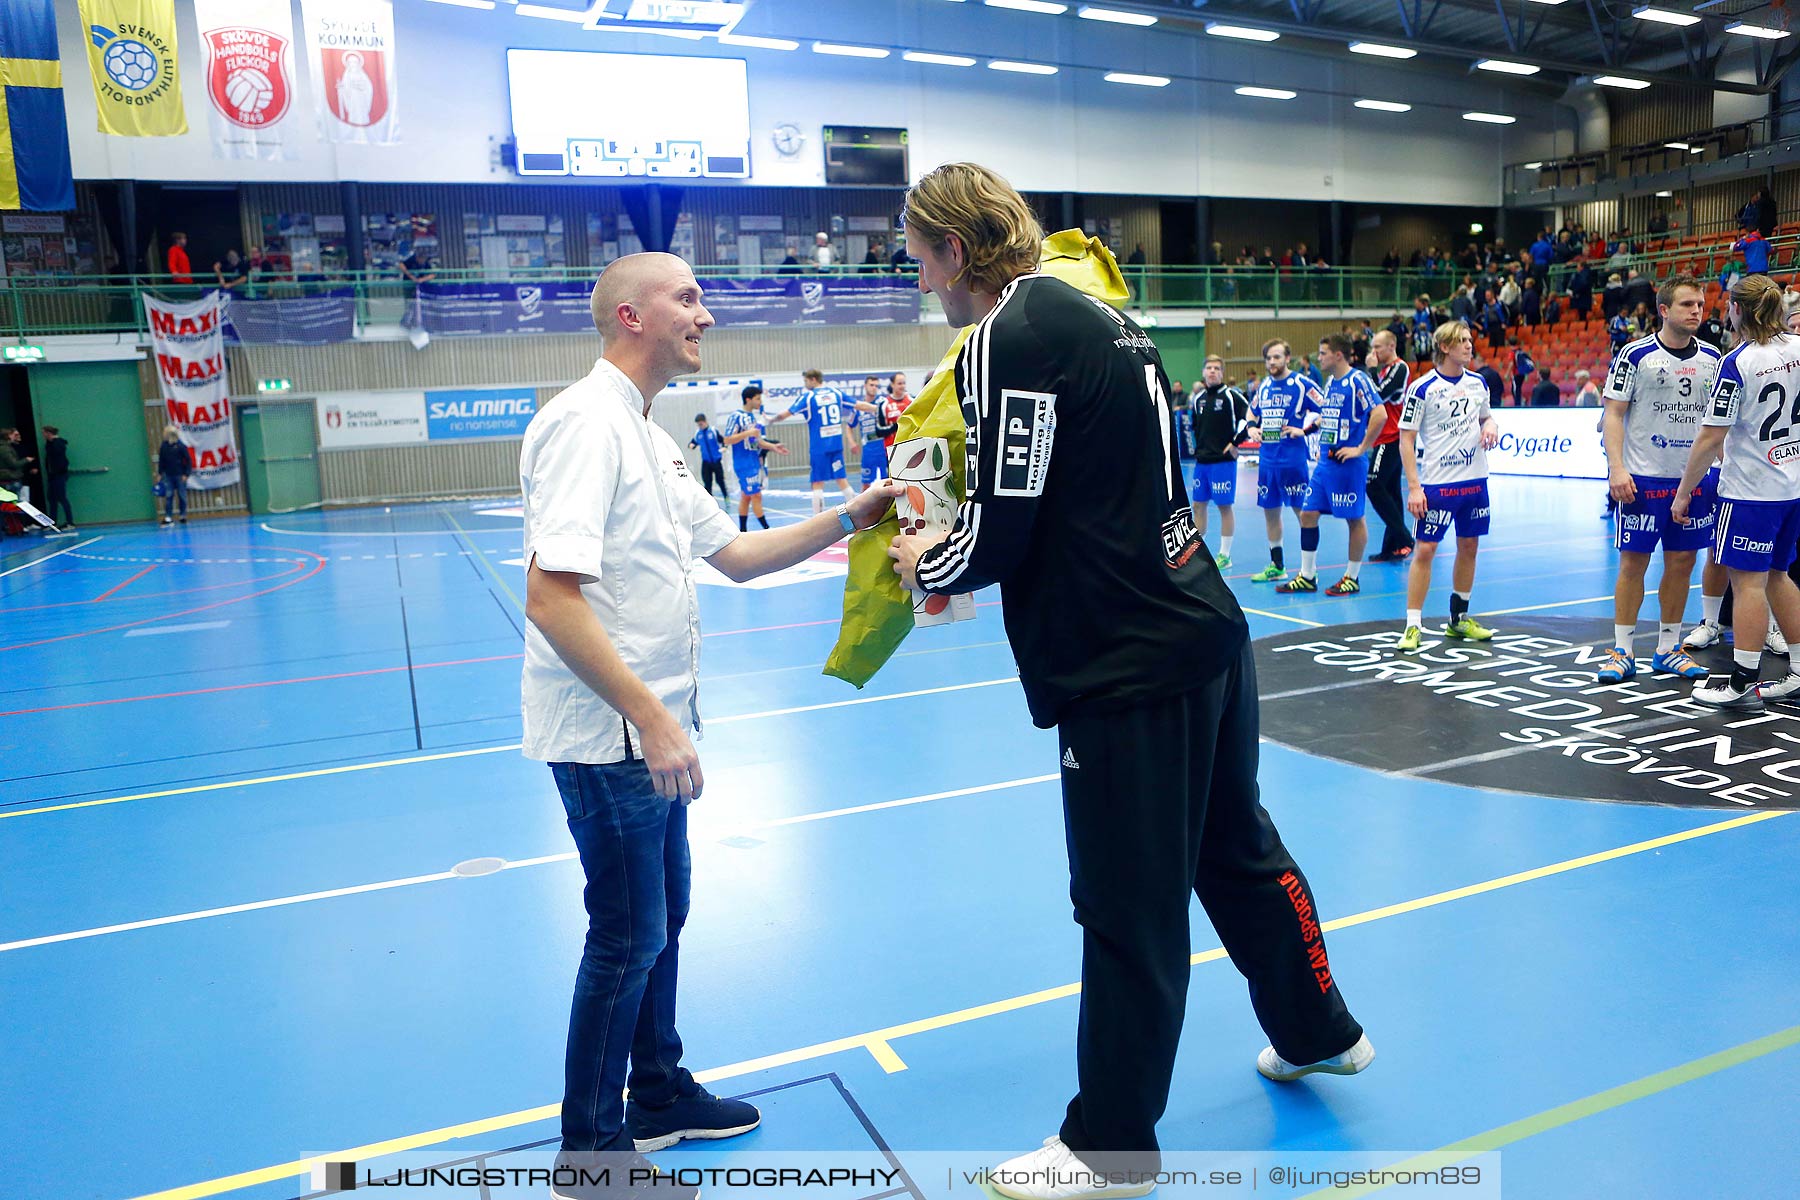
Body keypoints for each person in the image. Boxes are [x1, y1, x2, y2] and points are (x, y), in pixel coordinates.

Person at [885, 161, 1367, 1197]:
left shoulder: (1002, 339)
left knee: (1126, 904)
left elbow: (1006, 524)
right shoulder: (1102, 316)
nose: (920, 278)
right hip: (1204, 626)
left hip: (1127, 662)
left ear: (956, 251)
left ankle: (1109, 1147)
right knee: (1234, 849)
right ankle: (1319, 1029)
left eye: (920, 256)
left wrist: (924, 562)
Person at [518, 253, 902, 1194]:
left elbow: (735, 554)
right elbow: (550, 598)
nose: (707, 312)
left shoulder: (652, 438)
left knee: (664, 919)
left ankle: (654, 1093)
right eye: (686, 297)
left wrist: (856, 514)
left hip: (654, 732)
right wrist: (651, 718)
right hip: (613, 736)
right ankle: (592, 1154)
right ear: (627, 314)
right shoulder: (582, 425)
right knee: (626, 933)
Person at [1671, 274, 1800, 708]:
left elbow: (1710, 438)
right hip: (1792, 488)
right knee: (1780, 577)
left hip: (1750, 493)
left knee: (1748, 585)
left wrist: (1684, 491)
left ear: (1738, 310)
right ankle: (1798, 673)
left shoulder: (1738, 362)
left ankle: (1742, 682)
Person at [1596, 274, 1721, 684]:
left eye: (1700, 305)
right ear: (1664, 310)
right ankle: (1622, 650)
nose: (1697, 312)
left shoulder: (1713, 359)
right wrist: (1617, 468)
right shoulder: (1635, 355)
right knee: (1633, 564)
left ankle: (1669, 647)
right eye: (1687, 305)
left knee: (1683, 562)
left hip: (1693, 482)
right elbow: (1612, 415)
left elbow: (1716, 425)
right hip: (1644, 481)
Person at [1396, 321, 1501, 652]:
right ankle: (1413, 625)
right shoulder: (1422, 388)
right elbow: (1406, 440)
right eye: (1463, 341)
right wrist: (1415, 488)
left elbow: (1487, 416)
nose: (1470, 346)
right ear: (1445, 347)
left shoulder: (1479, 382)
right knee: (1425, 550)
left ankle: (1459, 619)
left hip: (1475, 482)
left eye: (1471, 340)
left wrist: (1492, 425)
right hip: (1438, 485)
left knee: (1469, 547)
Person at [1276, 333, 1385, 596]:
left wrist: (1361, 449)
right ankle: (1307, 575)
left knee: (1354, 518)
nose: (1319, 357)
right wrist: (1306, 430)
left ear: (1338, 355)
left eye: (1323, 353)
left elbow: (1379, 414)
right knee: (1308, 514)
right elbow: (1327, 416)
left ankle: (1352, 576)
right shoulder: (1330, 383)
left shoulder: (1357, 379)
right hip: (1325, 463)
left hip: (1348, 463)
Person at [1247, 338, 1323, 583]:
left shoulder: (1301, 384)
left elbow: (1328, 408)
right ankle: (1277, 565)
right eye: (1268, 358)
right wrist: (1250, 428)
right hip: (1267, 460)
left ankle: (1308, 569)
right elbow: (1252, 411)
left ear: (1287, 358)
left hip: (1292, 460)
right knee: (1271, 512)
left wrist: (1306, 430)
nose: (1272, 362)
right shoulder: (1265, 386)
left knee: (1303, 513)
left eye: (1277, 357)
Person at [1187, 355, 1250, 568]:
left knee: (1224, 506)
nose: (1212, 371)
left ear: (1222, 373)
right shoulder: (1198, 399)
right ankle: (1197, 551)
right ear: (1203, 372)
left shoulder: (1233, 396)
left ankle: (1225, 555)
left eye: (1216, 368)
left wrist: (1236, 442)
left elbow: (1250, 418)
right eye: (1209, 368)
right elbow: (1196, 427)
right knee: (1198, 505)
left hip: (1223, 462)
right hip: (1202, 461)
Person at [768, 368, 855, 514]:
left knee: (817, 483)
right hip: (836, 444)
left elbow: (786, 414)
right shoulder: (836, 393)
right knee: (841, 479)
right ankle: (857, 513)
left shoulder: (808, 397)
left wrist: (770, 420)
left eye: (806, 381)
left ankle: (817, 518)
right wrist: (876, 409)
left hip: (819, 447)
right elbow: (859, 405)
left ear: (813, 379)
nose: (805, 384)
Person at [1365, 330, 1415, 563]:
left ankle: (1404, 537)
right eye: (1372, 347)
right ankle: (1392, 547)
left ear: (1391, 345)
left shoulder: (1399, 367)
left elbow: (1379, 394)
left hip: (1392, 437)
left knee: (1374, 485)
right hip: (1383, 437)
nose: (1374, 352)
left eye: (1378, 347)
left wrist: (1372, 370)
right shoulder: (1386, 370)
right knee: (1392, 492)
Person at [720, 385, 785, 533]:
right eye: (757, 398)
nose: (760, 401)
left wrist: (773, 447)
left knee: (747, 496)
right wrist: (747, 433)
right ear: (748, 399)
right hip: (743, 463)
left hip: (753, 461)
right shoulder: (736, 416)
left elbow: (757, 441)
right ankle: (767, 530)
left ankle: (742, 531)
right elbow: (727, 439)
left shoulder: (752, 418)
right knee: (756, 495)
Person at [848, 374, 895, 487]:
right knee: (866, 485)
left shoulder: (883, 403)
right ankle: (864, 505)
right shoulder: (859, 407)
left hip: (884, 449)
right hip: (868, 451)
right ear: (865, 386)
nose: (874, 388)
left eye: (876, 386)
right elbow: (849, 426)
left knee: (889, 483)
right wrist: (852, 442)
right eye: (871, 385)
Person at [688, 413, 728, 503]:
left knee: (720, 481)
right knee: (707, 482)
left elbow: (723, 440)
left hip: (716, 461)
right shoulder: (698, 433)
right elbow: (693, 442)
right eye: (698, 425)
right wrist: (691, 445)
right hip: (706, 462)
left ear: (705, 422)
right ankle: (708, 502)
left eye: (701, 424)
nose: (700, 426)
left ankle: (726, 497)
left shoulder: (713, 431)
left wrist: (725, 447)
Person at [156, 426, 192, 527]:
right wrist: (160, 473)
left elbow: (188, 460)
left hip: (180, 475)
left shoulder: (180, 446)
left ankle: (182, 516)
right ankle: (168, 517)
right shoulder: (164, 446)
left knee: (182, 496)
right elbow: (161, 460)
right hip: (168, 475)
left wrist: (186, 474)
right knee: (169, 496)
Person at [41, 425, 72, 530]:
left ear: (48, 433)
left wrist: (59, 471)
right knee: (52, 498)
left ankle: (70, 522)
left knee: (62, 497)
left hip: (58, 474)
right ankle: (52, 522)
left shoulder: (57, 444)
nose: (43, 435)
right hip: (53, 475)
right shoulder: (49, 444)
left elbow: (60, 460)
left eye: (44, 433)